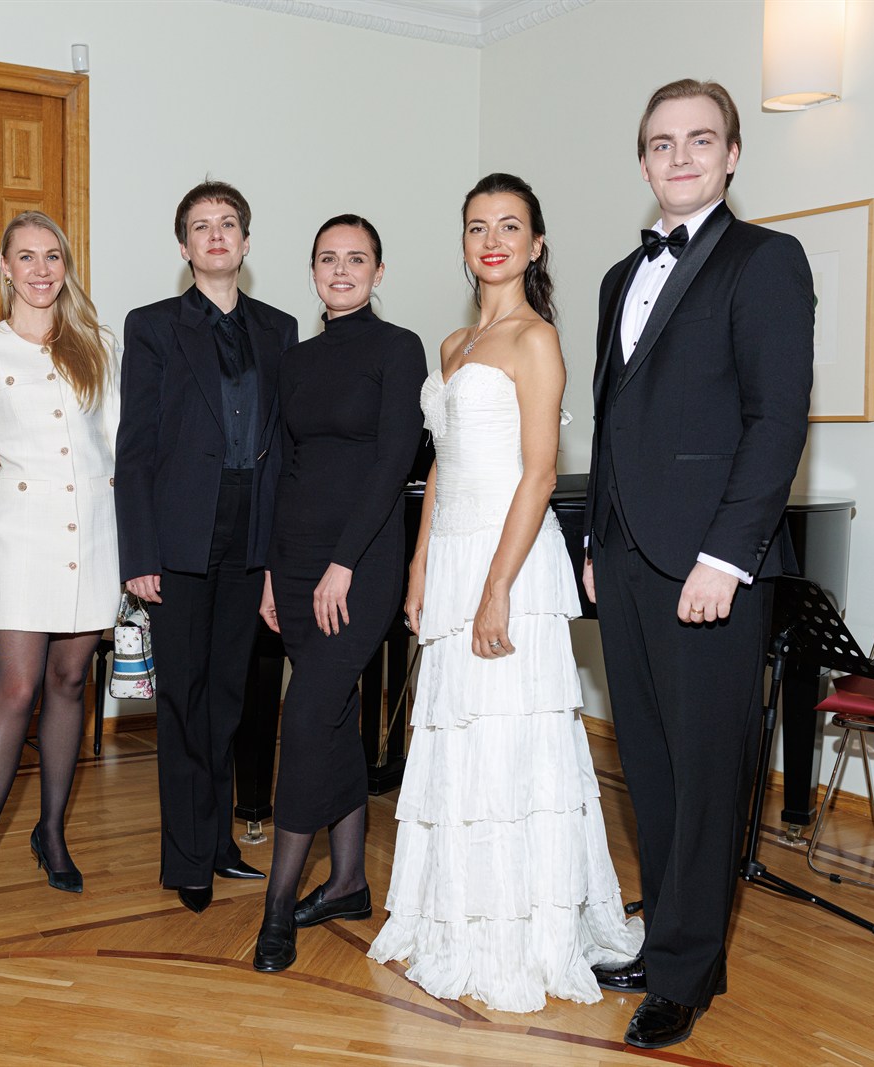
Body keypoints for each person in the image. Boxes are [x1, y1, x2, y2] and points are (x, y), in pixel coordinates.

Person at [368, 173, 643, 1012]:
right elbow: (442, 466)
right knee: (457, 736)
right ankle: (458, 912)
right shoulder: (453, 344)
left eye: (510, 226)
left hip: (509, 561)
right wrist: (420, 567)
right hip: (451, 558)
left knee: (512, 740)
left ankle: (522, 930)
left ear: (536, 244)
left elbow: (540, 474)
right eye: (478, 226)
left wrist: (496, 588)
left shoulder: (537, 339)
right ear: (464, 242)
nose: (492, 241)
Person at [583, 80, 814, 1050]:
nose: (679, 157)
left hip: (710, 565)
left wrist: (727, 555)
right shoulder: (615, 278)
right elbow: (613, 422)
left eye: (699, 140)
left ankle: (685, 974)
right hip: (626, 558)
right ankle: (668, 939)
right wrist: (595, 539)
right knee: (650, 765)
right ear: (642, 160)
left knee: (709, 772)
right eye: (661, 143)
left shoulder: (766, 261)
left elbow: (777, 420)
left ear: (731, 156)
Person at [115, 180, 298, 913]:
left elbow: (285, 445)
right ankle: (187, 858)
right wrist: (139, 554)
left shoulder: (280, 328)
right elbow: (135, 447)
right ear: (185, 245)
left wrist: (278, 556)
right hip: (181, 537)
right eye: (201, 225)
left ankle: (218, 841)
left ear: (246, 242)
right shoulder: (153, 326)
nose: (216, 234)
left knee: (227, 699)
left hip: (251, 533)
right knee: (184, 702)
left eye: (228, 223)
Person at [250, 216, 426, 972]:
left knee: (305, 714)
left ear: (379, 272)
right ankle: (349, 880)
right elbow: (280, 467)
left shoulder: (399, 348)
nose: (342, 270)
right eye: (329, 258)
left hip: (360, 563)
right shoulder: (295, 359)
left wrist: (344, 562)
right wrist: (268, 568)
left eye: (357, 259)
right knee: (335, 716)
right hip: (293, 564)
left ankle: (277, 904)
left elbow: (394, 461)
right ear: (313, 271)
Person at [0, 211, 121, 939]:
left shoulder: (97, 343)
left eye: (53, 257)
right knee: (14, 690)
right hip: (18, 538)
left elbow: (116, 448)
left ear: (65, 266)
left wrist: (135, 550)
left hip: (95, 533)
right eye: (26, 257)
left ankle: (51, 831)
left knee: (70, 682)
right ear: (5, 267)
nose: (41, 269)